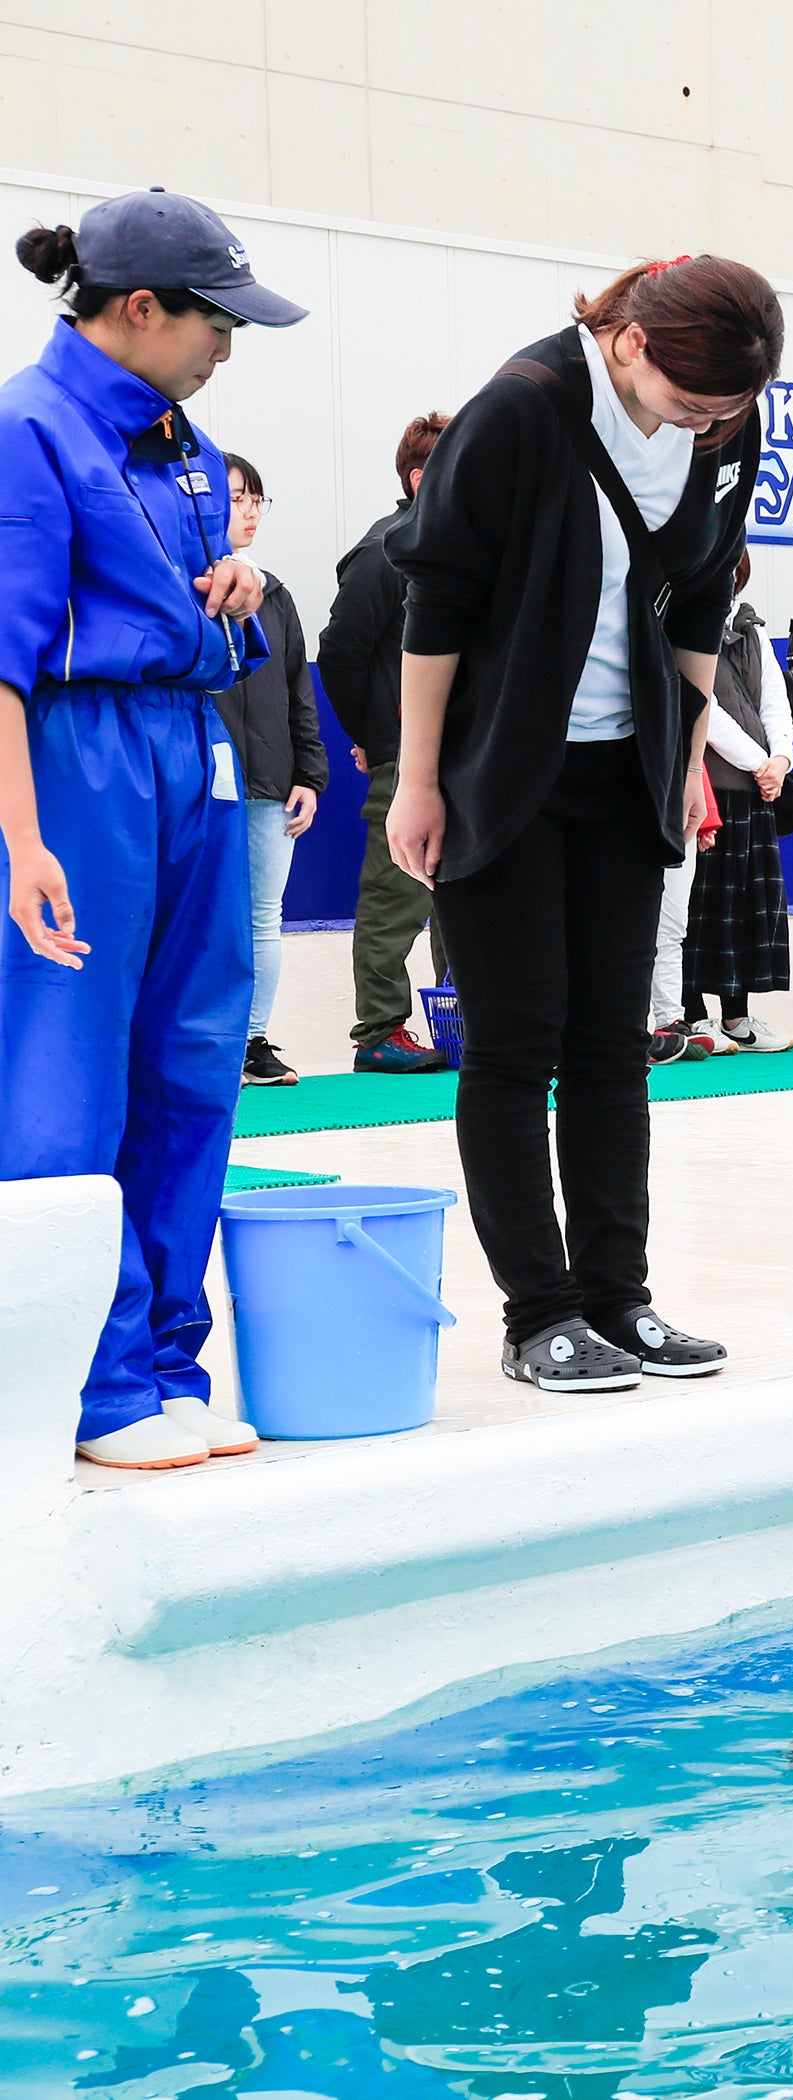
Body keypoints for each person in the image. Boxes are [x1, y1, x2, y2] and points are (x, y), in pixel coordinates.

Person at [386, 254, 783, 1395]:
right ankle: (539, 1314)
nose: (715, 427)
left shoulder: (723, 431)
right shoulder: (522, 409)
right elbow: (439, 597)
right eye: (695, 402)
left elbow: (702, 599)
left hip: (625, 772)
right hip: (500, 770)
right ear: (630, 343)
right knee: (514, 1047)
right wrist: (420, 782)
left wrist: (684, 758)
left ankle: (618, 1297)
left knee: (616, 1045)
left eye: (733, 412)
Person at [0, 190, 307, 1470]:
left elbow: (174, 611)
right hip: (80, 767)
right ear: (140, 309)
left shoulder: (183, 439)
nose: (227, 345)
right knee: (69, 1073)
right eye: (214, 322)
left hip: (193, 750)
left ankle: (168, 1362)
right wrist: (24, 845)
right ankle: (91, 1385)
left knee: (192, 1060)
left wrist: (229, 594)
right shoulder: (27, 429)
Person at [317, 410, 451, 1073]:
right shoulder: (386, 550)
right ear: (421, 477)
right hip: (405, 755)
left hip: (468, 755)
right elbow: (338, 653)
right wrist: (375, 735)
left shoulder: (466, 547)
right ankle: (379, 1032)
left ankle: (470, 1021)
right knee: (397, 894)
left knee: (468, 895)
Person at [214, 451, 326, 1086]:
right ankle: (206, 1041)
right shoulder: (187, 587)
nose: (249, 510)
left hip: (270, 786)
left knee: (263, 917)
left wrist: (308, 776)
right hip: (204, 787)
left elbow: (297, 693)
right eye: (237, 497)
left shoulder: (277, 597)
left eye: (257, 498)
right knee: (204, 914)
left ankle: (252, 1040)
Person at [659, 551, 793, 1056]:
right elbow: (703, 710)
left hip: (754, 794)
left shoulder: (750, 628)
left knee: (743, 912)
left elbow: (775, 701)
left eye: (732, 574)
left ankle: (737, 1018)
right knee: (698, 910)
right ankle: (694, 1017)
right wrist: (761, 760)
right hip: (706, 793)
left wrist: (779, 761)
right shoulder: (678, 619)